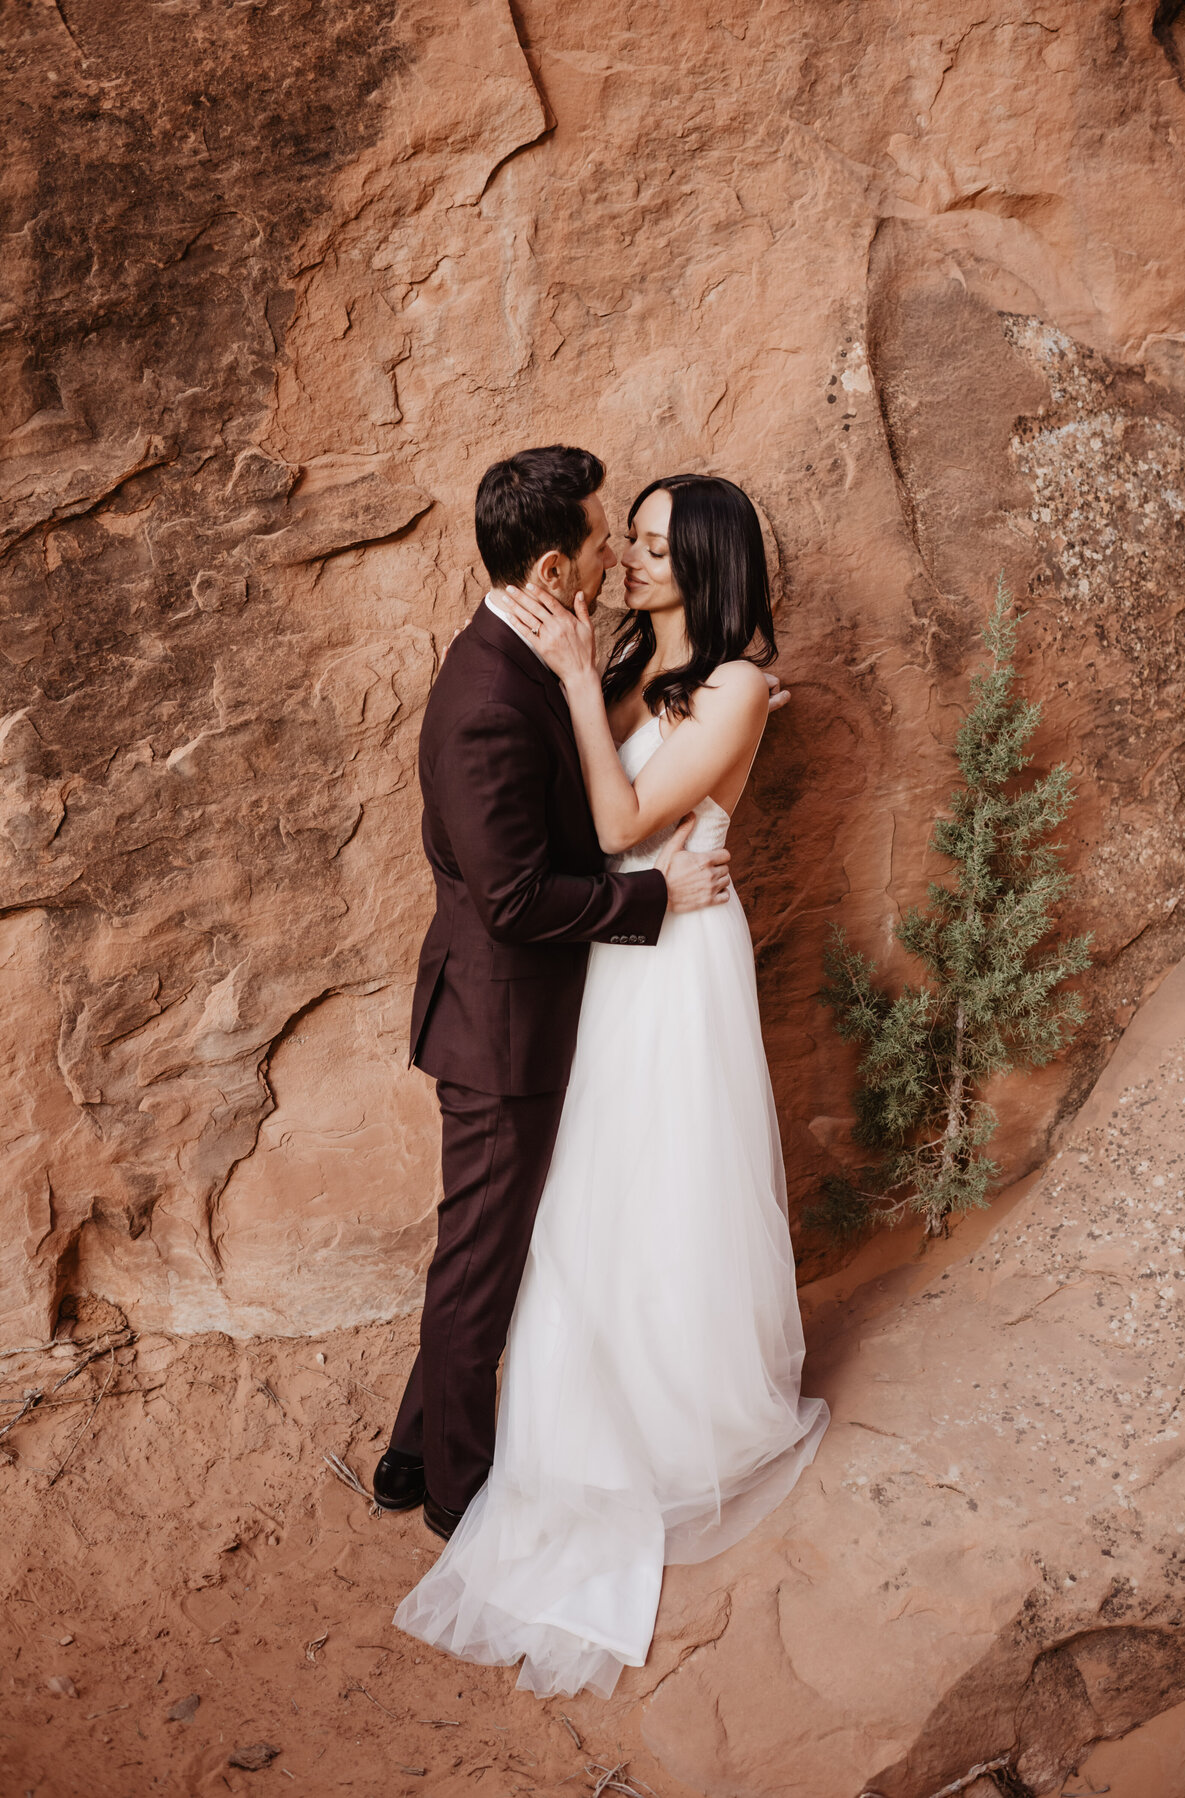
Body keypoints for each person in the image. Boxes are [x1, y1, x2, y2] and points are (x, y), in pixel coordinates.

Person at [391, 471, 829, 1697]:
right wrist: (594, 676)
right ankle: (450, 1450)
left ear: (710, 560)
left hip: (669, 949)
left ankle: (656, 1415)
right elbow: (573, 814)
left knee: (654, 1184)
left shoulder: (728, 682)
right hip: (608, 944)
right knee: (572, 1198)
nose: (630, 559)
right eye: (623, 538)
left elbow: (625, 806)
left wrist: (598, 689)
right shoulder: (631, 651)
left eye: (653, 544)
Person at [373, 447, 734, 1541]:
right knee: (481, 1270)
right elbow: (516, 901)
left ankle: (404, 1458)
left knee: (480, 1251)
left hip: (528, 1013)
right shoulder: (487, 695)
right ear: (552, 566)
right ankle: (455, 1498)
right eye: (600, 540)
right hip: (501, 1024)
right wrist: (652, 895)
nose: (616, 554)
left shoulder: (538, 653)